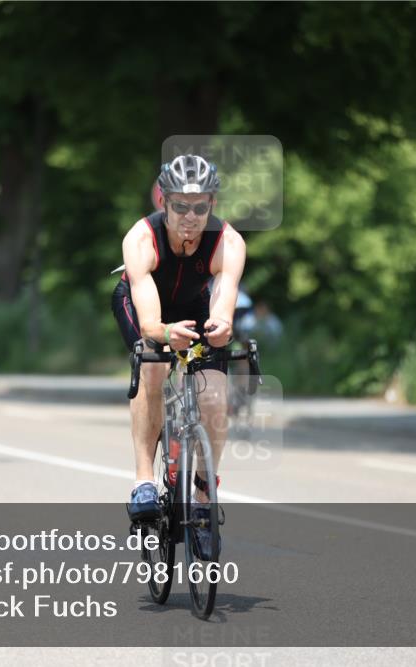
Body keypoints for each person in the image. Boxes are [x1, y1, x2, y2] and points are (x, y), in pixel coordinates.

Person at [111, 154, 246, 558]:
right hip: (144, 307)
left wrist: (221, 326)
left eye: (200, 207)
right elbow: (152, 322)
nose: (190, 216)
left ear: (212, 205)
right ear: (164, 202)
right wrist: (166, 335)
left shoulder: (229, 242)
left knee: (214, 396)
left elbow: (223, 306)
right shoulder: (140, 239)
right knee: (153, 369)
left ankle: (204, 496)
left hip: (196, 305)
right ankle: (143, 481)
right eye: (181, 207)